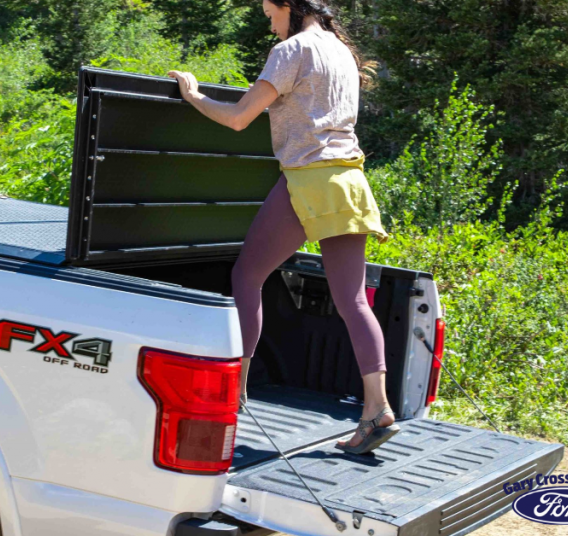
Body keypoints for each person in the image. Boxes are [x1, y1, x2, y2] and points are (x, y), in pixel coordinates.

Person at [168, 0, 397, 454]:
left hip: (306, 179)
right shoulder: (340, 51)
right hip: (349, 180)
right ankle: (377, 408)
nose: (269, 23)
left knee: (247, 275)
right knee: (353, 300)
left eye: (269, 13)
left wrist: (193, 96)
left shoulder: (292, 50)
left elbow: (238, 118)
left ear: (288, 5)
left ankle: (235, 391)